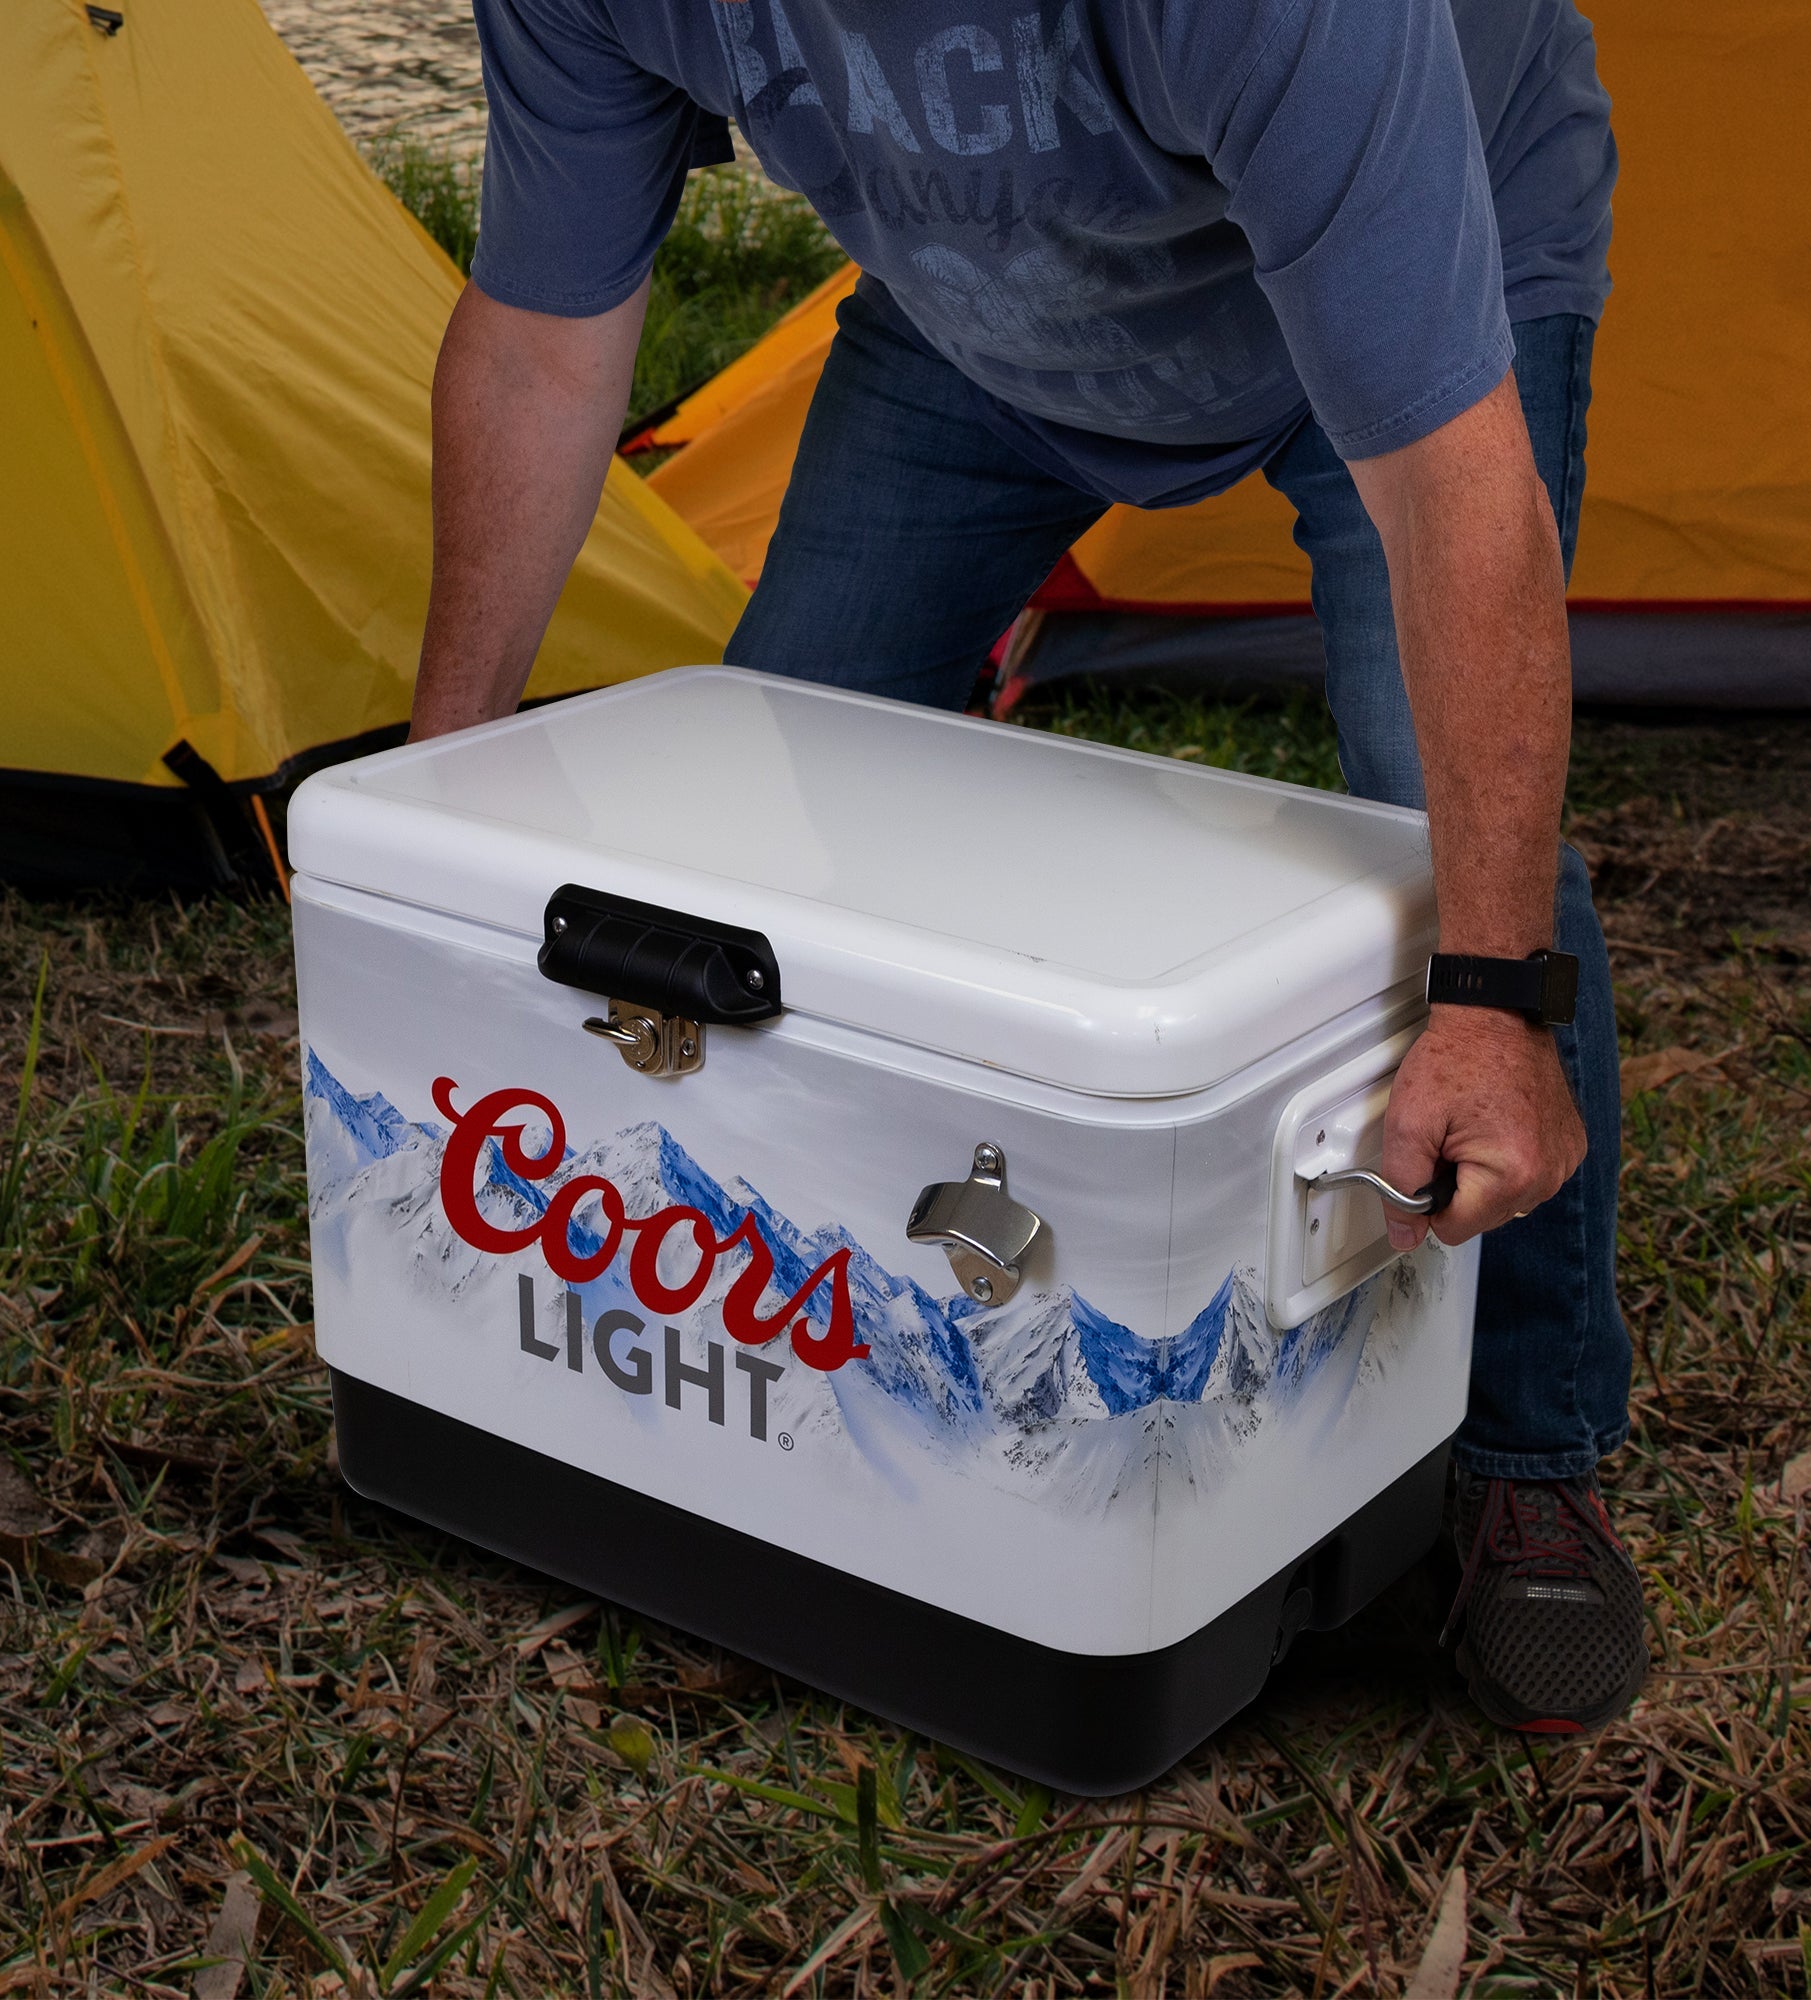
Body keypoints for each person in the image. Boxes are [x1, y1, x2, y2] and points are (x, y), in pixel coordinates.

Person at [409, 0, 1648, 1734]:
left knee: (1457, 847)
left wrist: (1496, 996)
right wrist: (435, 784)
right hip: (972, 320)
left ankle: (1526, 1453)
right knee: (774, 785)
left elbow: (1455, 491)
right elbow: (542, 346)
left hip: (1426, 270)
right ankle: (827, 1321)